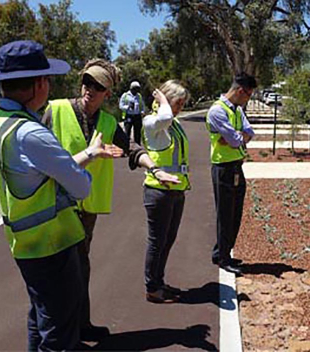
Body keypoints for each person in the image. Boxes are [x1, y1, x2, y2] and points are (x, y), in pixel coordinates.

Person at [42, 60, 179, 341]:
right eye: (87, 83)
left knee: (81, 267)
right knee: (58, 271)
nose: (90, 89)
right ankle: (62, 334)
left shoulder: (106, 122)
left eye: (98, 86)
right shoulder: (55, 110)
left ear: (108, 93)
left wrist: (154, 168)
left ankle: (81, 325)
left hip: (85, 209)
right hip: (53, 205)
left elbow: (132, 148)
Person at [0, 40, 111, 350]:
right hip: (52, 244)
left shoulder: (4, 123)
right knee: (60, 333)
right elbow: (81, 187)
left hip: (23, 242)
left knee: (40, 317)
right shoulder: (32, 134)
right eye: (47, 78)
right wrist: (85, 165)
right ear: (38, 83)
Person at [142, 80, 190, 303]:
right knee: (157, 241)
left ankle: (159, 281)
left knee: (168, 239)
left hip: (176, 189)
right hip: (158, 190)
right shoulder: (152, 121)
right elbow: (164, 117)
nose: (179, 107)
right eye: (176, 102)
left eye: (182, 103)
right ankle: (152, 287)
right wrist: (161, 100)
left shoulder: (174, 124)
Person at [206, 72, 257, 276]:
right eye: (248, 95)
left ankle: (222, 252)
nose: (248, 100)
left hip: (236, 165)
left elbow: (248, 132)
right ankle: (223, 258)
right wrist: (237, 138)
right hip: (223, 168)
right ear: (239, 91)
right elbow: (237, 139)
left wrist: (237, 138)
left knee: (235, 214)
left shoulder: (236, 110)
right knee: (225, 214)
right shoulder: (217, 111)